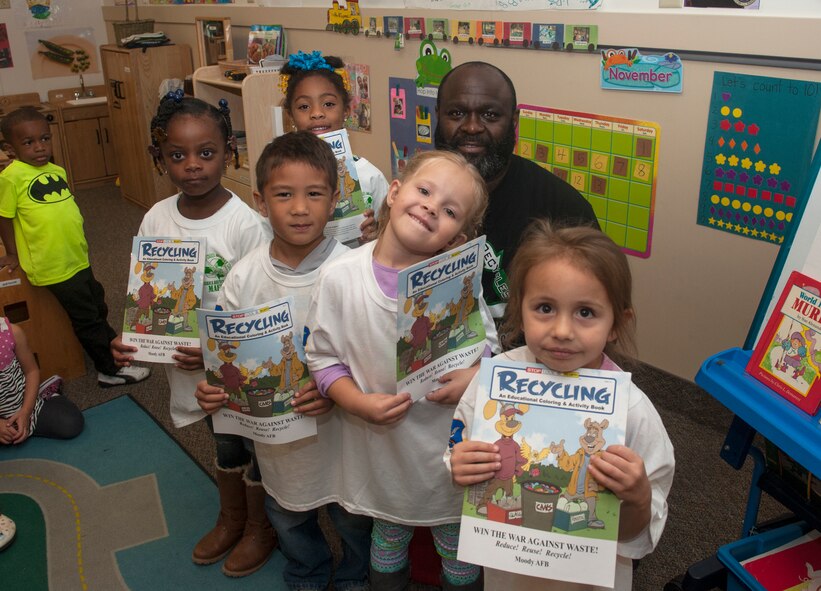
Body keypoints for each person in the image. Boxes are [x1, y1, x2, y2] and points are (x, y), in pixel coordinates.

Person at [305, 150, 498, 591]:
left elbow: (488, 345)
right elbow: (321, 356)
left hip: (446, 452)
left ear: (457, 237)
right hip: (383, 448)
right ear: (394, 192)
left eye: (449, 210)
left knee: (458, 545)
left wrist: (475, 376)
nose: (431, 207)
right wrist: (356, 402)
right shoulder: (339, 277)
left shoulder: (457, 284)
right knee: (388, 535)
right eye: (424, 191)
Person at [448, 221, 675, 591]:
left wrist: (637, 497)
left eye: (585, 312)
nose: (563, 330)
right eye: (545, 308)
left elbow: (637, 536)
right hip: (509, 571)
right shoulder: (496, 381)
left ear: (617, 323)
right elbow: (458, 448)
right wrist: (460, 464)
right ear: (519, 311)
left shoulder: (632, 411)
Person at [195, 131, 372, 591]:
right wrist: (213, 389)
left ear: (334, 200)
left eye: (314, 194)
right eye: (284, 195)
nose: (299, 208)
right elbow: (225, 358)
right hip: (277, 441)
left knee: (351, 518)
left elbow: (372, 355)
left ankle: (356, 575)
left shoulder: (353, 269)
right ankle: (307, 570)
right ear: (260, 201)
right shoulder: (244, 275)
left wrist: (339, 388)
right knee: (288, 513)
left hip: (343, 436)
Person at [110, 93, 273, 577]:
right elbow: (146, 295)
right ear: (159, 158)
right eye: (177, 156)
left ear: (229, 152)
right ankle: (231, 517)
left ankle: (260, 527)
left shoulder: (246, 224)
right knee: (221, 444)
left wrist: (211, 348)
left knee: (254, 445)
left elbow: (259, 311)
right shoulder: (156, 218)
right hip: (188, 373)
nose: (193, 166)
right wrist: (133, 340)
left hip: (236, 369)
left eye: (206, 153)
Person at [434, 62, 599, 320]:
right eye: (456, 113)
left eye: (490, 115)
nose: (472, 127)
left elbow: (590, 313)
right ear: (438, 115)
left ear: (514, 122)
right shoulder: (415, 200)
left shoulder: (565, 211)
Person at [0, 107, 150, 388]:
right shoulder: (11, 177)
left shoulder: (57, 170)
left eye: (44, 139)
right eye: (29, 142)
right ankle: (108, 368)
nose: (40, 147)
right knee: (87, 317)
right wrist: (12, 252)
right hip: (52, 264)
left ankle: (108, 344)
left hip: (76, 256)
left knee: (97, 304)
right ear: (10, 149)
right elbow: (4, 216)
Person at [278, 50, 388, 246]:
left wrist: (374, 237)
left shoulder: (370, 177)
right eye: (304, 107)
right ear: (290, 115)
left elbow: (391, 239)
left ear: (346, 110)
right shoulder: (279, 174)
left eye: (328, 104)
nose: (317, 113)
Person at [0, 317, 83, 444]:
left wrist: (26, 412)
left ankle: (46, 394)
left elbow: (31, 371)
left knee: (71, 423)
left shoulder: (12, 333)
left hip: (23, 405)